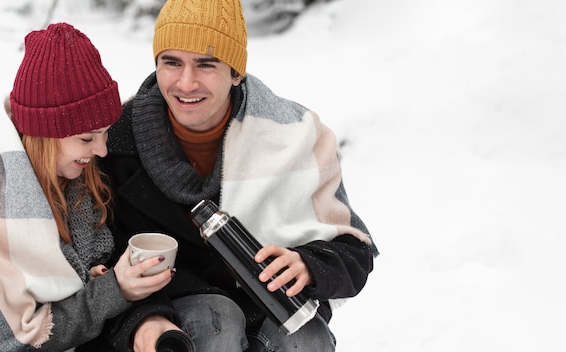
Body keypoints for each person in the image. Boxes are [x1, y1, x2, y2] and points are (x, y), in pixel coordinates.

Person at [92, 0, 379, 351]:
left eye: (205, 64)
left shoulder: (294, 134)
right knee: (218, 324)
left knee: (308, 339)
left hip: (270, 303)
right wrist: (145, 318)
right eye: (171, 63)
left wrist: (307, 264)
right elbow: (96, 259)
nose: (186, 83)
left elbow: (354, 252)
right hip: (165, 305)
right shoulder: (114, 142)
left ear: (235, 72)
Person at [0, 23, 175, 351]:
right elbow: (17, 341)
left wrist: (93, 278)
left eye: (105, 132)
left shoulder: (71, 178)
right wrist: (112, 291)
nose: (103, 150)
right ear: (43, 135)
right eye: (86, 138)